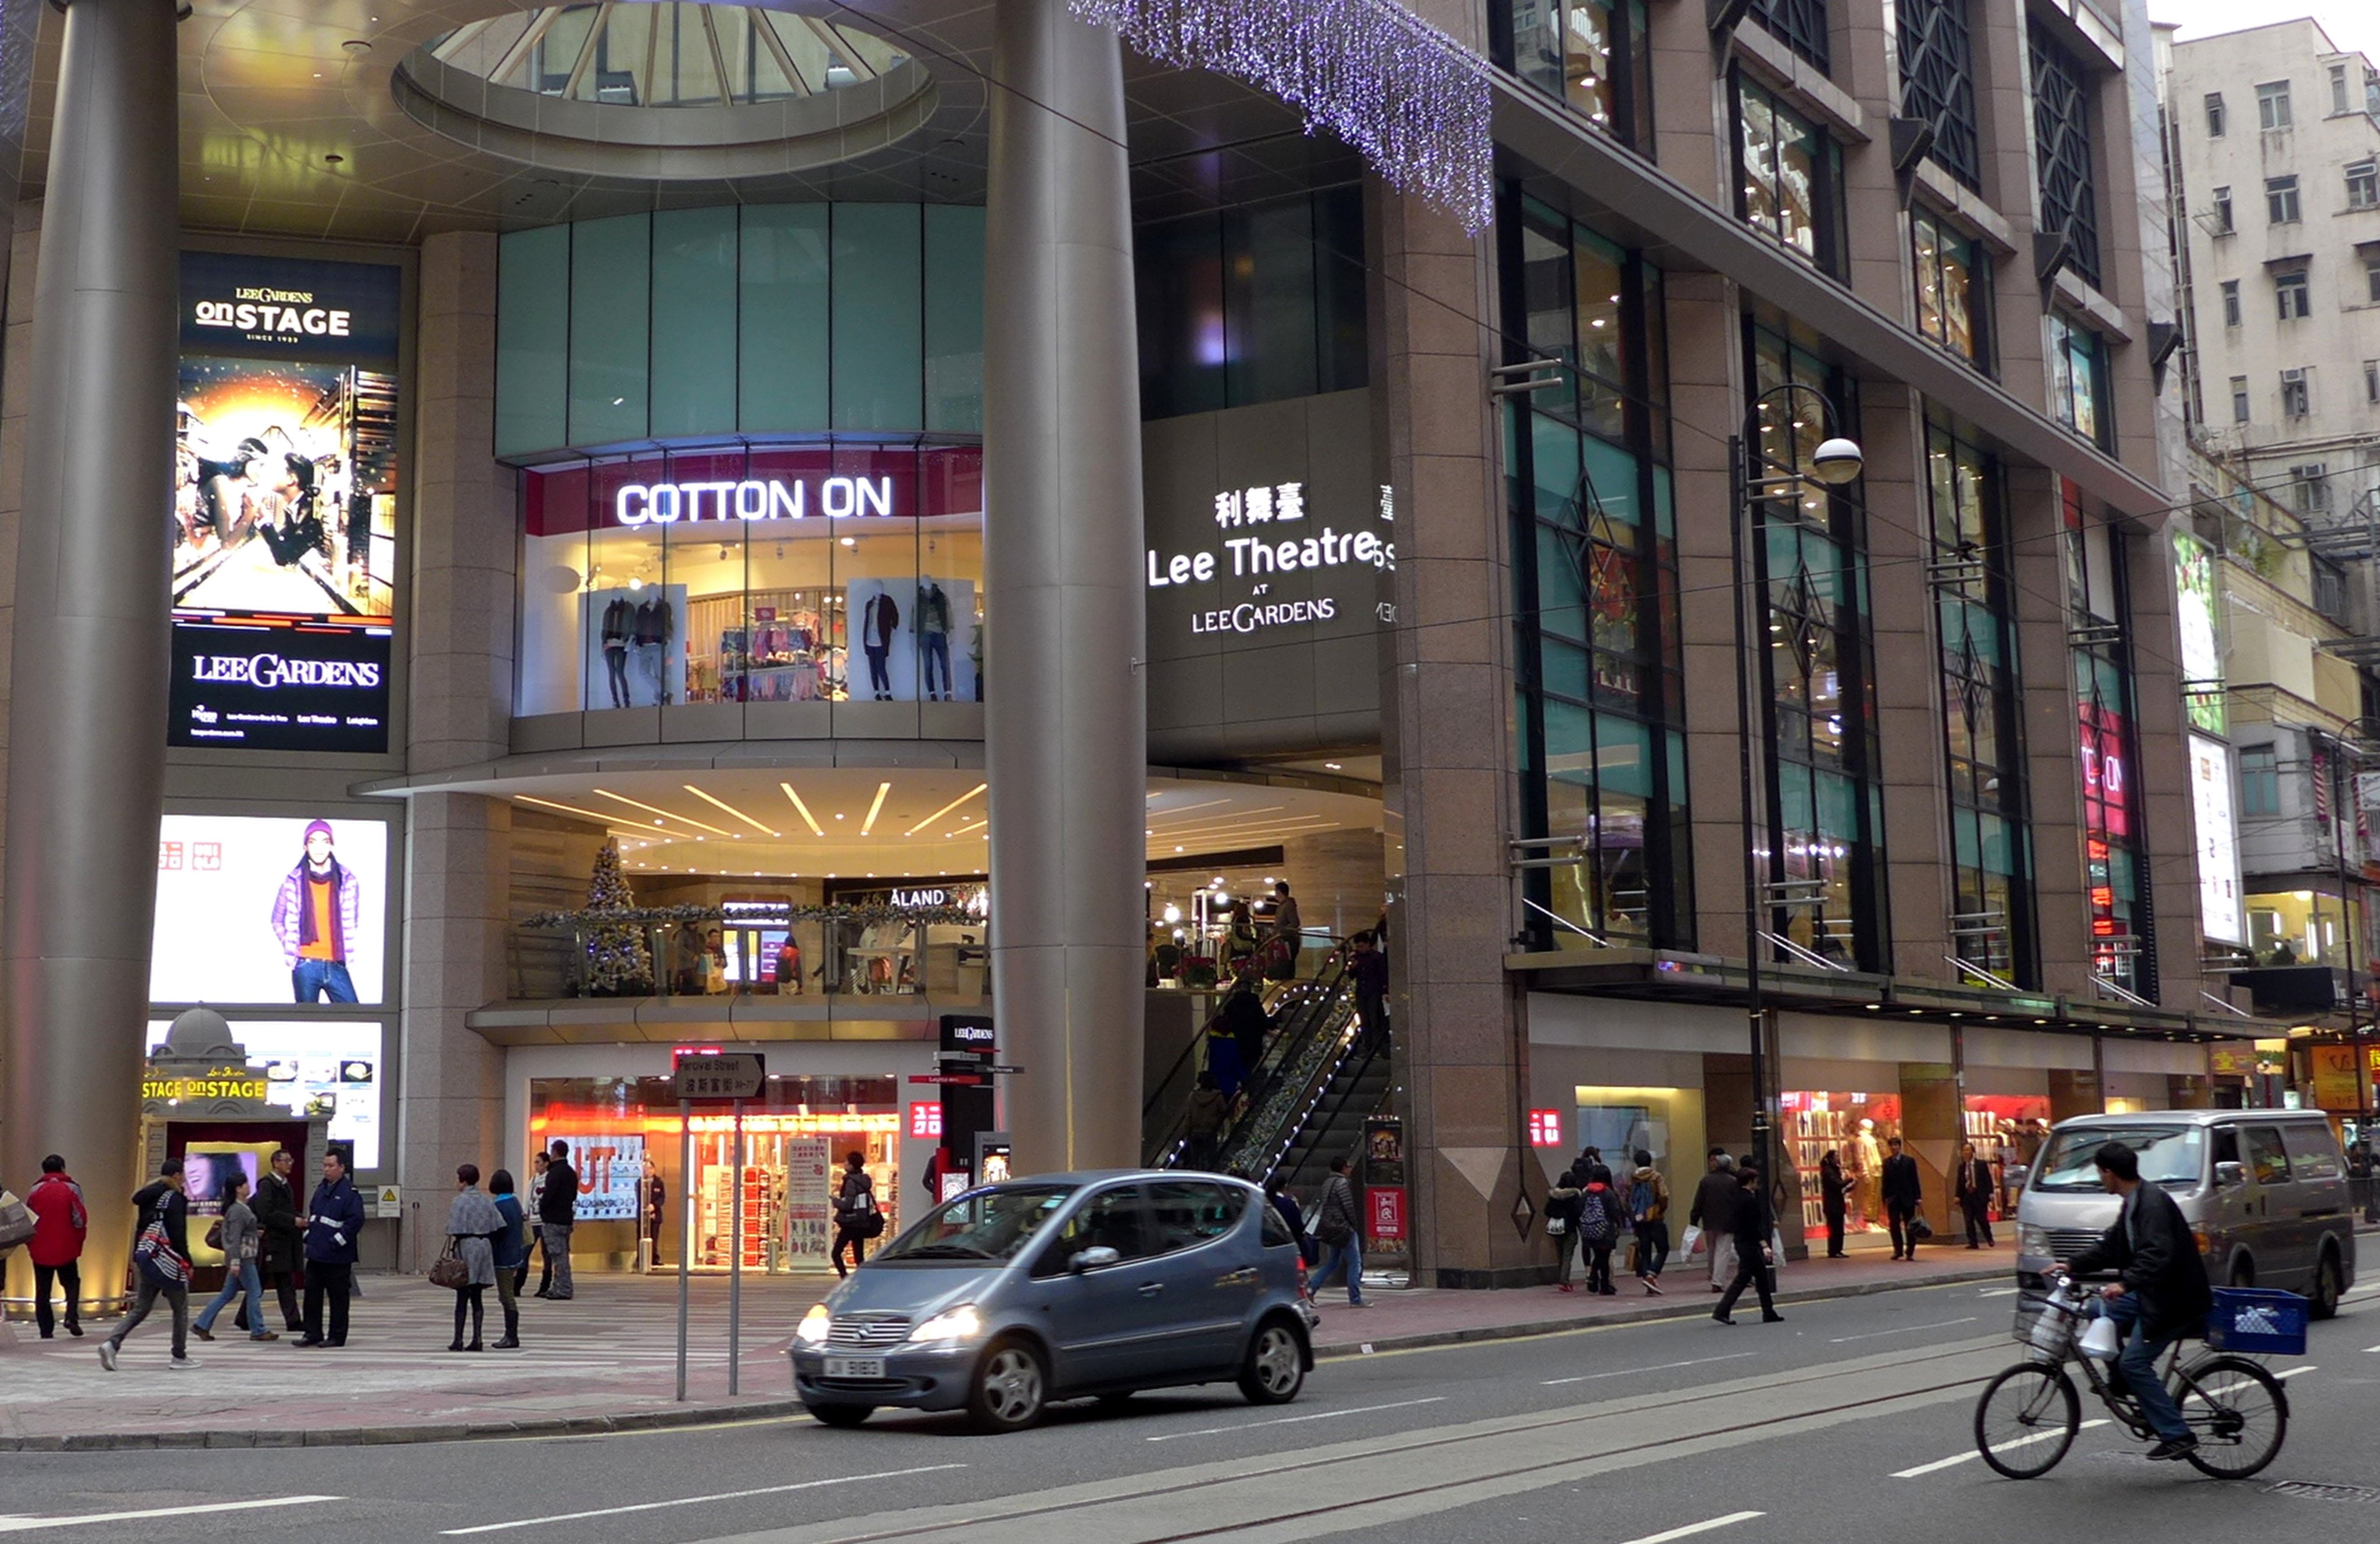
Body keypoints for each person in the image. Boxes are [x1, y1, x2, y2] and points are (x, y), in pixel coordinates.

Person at [2062, 1140, 2215, 1461]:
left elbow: (2157, 1255)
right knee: (2095, 1309)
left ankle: (2177, 1435)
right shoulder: (2133, 1202)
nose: (2100, 1179)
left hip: (2174, 1301)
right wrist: (2072, 1265)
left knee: (2135, 1363)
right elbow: (2110, 1247)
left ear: (2110, 1173)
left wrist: (2125, 1283)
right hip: (2152, 1295)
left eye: (2100, 1173)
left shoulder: (2152, 1204)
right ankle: (2121, 1382)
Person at [99, 1160, 196, 1371]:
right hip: (168, 1261)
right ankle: (179, 1355)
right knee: (180, 1309)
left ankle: (112, 1343)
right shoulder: (175, 1199)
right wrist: (187, 1261)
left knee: (142, 1308)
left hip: (148, 1257)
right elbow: (178, 1234)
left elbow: (142, 1228)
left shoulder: (146, 1196)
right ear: (177, 1176)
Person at [270, 820, 364, 1004]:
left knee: (355, 1016)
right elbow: (276, 920)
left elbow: (352, 919)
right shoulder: (293, 881)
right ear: (305, 846)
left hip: (336, 963)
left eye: (325, 841)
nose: (319, 848)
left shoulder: (347, 879)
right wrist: (291, 944)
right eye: (313, 842)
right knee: (307, 1023)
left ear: (331, 845)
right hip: (306, 965)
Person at [191, 1172, 273, 1342]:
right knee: (254, 1292)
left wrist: (253, 1235)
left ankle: (202, 1324)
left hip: (240, 1257)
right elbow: (234, 1238)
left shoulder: (238, 1208)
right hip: (243, 1258)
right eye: (245, 1185)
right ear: (238, 1189)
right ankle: (258, 1329)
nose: (248, 1187)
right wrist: (235, 1261)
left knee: (227, 1294)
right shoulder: (237, 1210)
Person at [298, 1148, 364, 1348]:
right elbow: (315, 1216)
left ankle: (336, 1336)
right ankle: (312, 1333)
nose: (326, 1170)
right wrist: (309, 1237)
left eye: (331, 1166)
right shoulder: (321, 1190)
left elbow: (356, 1221)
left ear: (342, 1168)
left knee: (338, 1299)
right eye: (324, 1166)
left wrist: (336, 1241)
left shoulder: (349, 1193)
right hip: (317, 1254)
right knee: (312, 1297)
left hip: (337, 1257)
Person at [445, 1164, 506, 1353]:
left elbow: (452, 1229)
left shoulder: (459, 1201)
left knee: (462, 1294)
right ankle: (477, 1338)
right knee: (477, 1295)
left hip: (466, 1246)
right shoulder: (487, 1201)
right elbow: (499, 1224)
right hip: (484, 1246)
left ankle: (458, 1339)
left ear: (463, 1180)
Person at [1712, 1166, 1784, 1325]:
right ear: (1750, 1181)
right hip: (1749, 1244)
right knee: (1743, 1279)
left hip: (1742, 1241)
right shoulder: (1748, 1200)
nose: (1757, 1184)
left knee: (1761, 1279)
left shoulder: (1737, 1197)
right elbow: (1753, 1225)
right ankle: (1722, 1310)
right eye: (1755, 1181)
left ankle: (1768, 1311)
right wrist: (1764, 1244)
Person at [25, 1154, 87, 1339]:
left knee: (42, 1290)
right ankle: (71, 1317)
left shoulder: (35, 1189)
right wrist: (79, 1239)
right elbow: (79, 1218)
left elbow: (29, 1217)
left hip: (40, 1246)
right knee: (72, 1282)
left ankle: (46, 1330)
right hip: (66, 1245)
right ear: (62, 1168)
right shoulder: (73, 1188)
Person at [251, 1148, 306, 1333]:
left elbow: (286, 1209)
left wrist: (299, 1218)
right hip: (273, 1243)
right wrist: (292, 1220)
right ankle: (294, 1321)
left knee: (262, 1281)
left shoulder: (286, 1185)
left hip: (284, 1242)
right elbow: (266, 1213)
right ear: (276, 1163)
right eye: (286, 1160)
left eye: (291, 1160)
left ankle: (243, 1318)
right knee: (282, 1282)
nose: (290, 1164)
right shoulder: (267, 1185)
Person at [1310, 1156, 1365, 1306]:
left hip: (1330, 1228)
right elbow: (1348, 1207)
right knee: (1355, 1262)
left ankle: (1311, 1288)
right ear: (1343, 1168)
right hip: (1343, 1228)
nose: (1350, 1169)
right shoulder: (1342, 1184)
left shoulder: (1327, 1183)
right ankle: (1355, 1298)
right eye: (1348, 1166)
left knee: (1332, 1262)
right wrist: (1355, 1225)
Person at [1689, 1148, 1739, 1294]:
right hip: (1728, 1222)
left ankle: (1712, 1273)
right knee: (1723, 1251)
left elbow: (1698, 1202)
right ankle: (1718, 1281)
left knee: (1712, 1249)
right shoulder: (1733, 1182)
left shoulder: (1706, 1181)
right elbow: (1737, 1203)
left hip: (1709, 1221)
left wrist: (1694, 1219)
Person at [488, 1169, 527, 1349]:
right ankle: (510, 1335)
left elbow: (496, 1231)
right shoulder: (514, 1202)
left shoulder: (499, 1205)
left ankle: (511, 1335)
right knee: (507, 1294)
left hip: (503, 1255)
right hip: (515, 1253)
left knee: (506, 1296)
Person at [537, 1140, 578, 1301]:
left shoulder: (555, 1173)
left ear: (555, 1153)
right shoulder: (570, 1172)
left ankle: (563, 1288)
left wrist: (542, 1207)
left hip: (553, 1219)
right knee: (562, 1254)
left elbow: (549, 1196)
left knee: (558, 1256)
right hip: (566, 1218)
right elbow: (573, 1195)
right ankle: (558, 1286)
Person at [1579, 1164, 1626, 1295]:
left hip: (1589, 1230)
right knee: (1604, 1258)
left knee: (1598, 1255)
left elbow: (1579, 1210)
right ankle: (1603, 1285)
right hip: (1605, 1231)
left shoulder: (1586, 1192)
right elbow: (1614, 1212)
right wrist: (1619, 1225)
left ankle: (1593, 1279)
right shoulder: (1608, 1192)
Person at [1627, 1150, 1670, 1295]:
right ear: (1650, 1162)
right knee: (1663, 1249)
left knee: (1645, 1251)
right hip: (1655, 1218)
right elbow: (1663, 1195)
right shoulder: (1656, 1176)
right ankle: (1652, 1275)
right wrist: (1660, 1210)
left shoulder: (1632, 1179)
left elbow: (1628, 1201)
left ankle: (1648, 1283)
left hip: (1640, 1220)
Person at [830, 1151, 876, 1277]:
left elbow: (848, 1205)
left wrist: (835, 1201)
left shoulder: (851, 1181)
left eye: (846, 1162)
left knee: (836, 1253)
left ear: (851, 1166)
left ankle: (845, 1279)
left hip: (850, 1223)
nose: (844, 1164)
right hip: (861, 1221)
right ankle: (863, 1281)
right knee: (859, 1257)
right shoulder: (864, 1180)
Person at [1348, 931, 1390, 1057]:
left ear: (1368, 945)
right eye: (1358, 947)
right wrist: (1353, 967)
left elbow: (1383, 976)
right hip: (1362, 992)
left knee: (1375, 1020)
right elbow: (1351, 976)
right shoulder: (1357, 958)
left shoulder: (1377, 958)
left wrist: (1384, 991)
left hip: (1374, 992)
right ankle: (1368, 1048)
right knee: (1364, 1020)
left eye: (1361, 946)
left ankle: (1377, 1049)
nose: (1359, 949)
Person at [1881, 1135, 1923, 1261]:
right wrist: (1885, 1197)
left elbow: (1914, 1179)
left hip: (1908, 1197)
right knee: (1894, 1225)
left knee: (1909, 1225)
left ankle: (1910, 1251)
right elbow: (1885, 1181)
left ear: (1900, 1147)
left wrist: (1918, 1197)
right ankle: (1897, 1250)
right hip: (1893, 1198)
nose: (1894, 1148)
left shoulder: (1909, 1161)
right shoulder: (1887, 1163)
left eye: (1896, 1145)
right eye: (1892, 1146)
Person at [1544, 1168, 1583, 1291]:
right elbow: (1578, 1212)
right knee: (1567, 1256)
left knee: (1560, 1255)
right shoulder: (1575, 1195)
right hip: (1570, 1229)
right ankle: (1564, 1281)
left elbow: (1547, 1211)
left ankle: (1563, 1279)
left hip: (1557, 1229)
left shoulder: (1554, 1196)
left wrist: (1558, 1214)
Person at [1955, 1141, 1997, 1249]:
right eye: (1964, 1150)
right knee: (1969, 1220)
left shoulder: (1981, 1164)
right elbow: (1960, 1182)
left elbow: (1988, 1179)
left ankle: (1989, 1238)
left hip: (1979, 1195)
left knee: (1982, 1219)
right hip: (1967, 1196)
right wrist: (1958, 1195)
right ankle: (1973, 1242)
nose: (1966, 1152)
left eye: (1968, 1150)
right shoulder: (1962, 1167)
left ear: (1973, 1152)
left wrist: (1990, 1193)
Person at [1265, 1178, 1314, 1267]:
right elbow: (1297, 1224)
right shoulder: (1288, 1203)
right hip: (1290, 1242)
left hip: (1270, 1244)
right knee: (1298, 1269)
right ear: (1285, 1186)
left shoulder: (1266, 1202)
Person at [1183, 1073, 1228, 1171]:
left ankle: (1197, 1175)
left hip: (1195, 1131)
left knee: (1195, 1158)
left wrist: (1187, 1132)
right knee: (1210, 1158)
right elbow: (1225, 1112)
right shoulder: (1218, 1097)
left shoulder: (1193, 1096)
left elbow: (1189, 1116)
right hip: (1210, 1132)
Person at [524, 1150, 551, 1296]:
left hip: (545, 1221)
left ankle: (545, 1285)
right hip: (533, 1221)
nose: (536, 1166)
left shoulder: (550, 1179)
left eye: (538, 1162)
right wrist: (525, 1214)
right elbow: (528, 1199)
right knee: (525, 1250)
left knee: (546, 1254)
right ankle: (519, 1283)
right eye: (535, 1162)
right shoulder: (534, 1180)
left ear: (546, 1164)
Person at [1819, 1148, 1850, 1259]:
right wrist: (1849, 1180)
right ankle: (1834, 1250)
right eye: (1836, 1157)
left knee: (1838, 1228)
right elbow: (1837, 1185)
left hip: (1836, 1203)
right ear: (1831, 1159)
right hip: (1832, 1205)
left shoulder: (1834, 1170)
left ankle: (1838, 1249)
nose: (1838, 1159)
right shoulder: (1828, 1172)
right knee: (1835, 1228)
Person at [646, 1170, 666, 1267]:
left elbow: (662, 1198)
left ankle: (654, 1258)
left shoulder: (659, 1183)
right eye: (646, 1168)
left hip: (656, 1214)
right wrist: (646, 1209)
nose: (648, 1170)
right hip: (643, 1215)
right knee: (642, 1236)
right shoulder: (640, 1182)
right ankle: (642, 1258)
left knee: (654, 1237)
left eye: (650, 1168)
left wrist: (654, 1207)